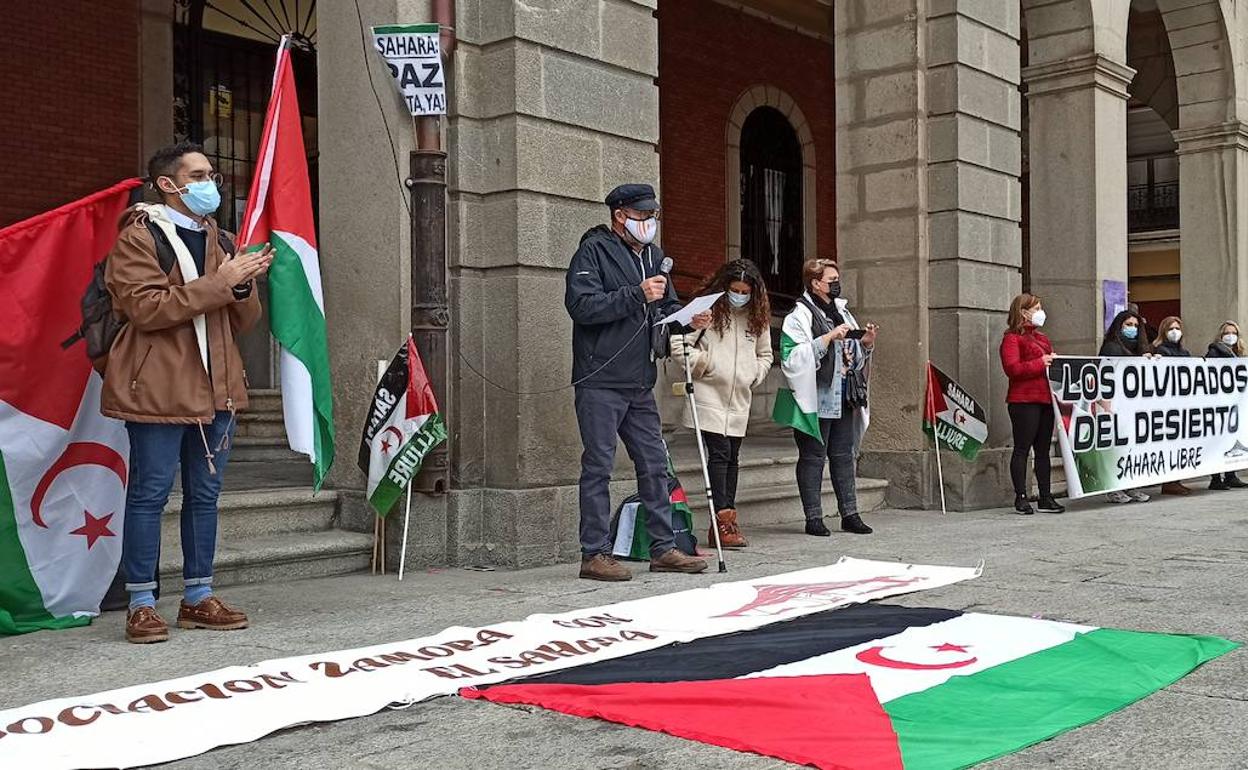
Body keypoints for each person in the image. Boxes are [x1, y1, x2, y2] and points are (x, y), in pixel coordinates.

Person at [103, 142, 273, 643]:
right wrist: (222, 282)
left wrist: (241, 287)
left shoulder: (220, 238)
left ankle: (198, 596)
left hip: (217, 387)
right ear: (168, 184)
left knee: (205, 495)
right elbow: (147, 309)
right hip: (159, 386)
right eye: (198, 175)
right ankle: (141, 603)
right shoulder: (139, 236)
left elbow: (245, 321)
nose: (210, 184)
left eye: (212, 174)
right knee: (149, 495)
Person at [565, 183, 712, 581]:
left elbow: (664, 307)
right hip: (600, 378)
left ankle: (663, 548)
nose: (649, 224)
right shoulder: (593, 251)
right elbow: (581, 306)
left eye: (652, 217)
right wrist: (636, 294)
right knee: (598, 464)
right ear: (620, 216)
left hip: (639, 379)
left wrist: (688, 317)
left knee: (653, 463)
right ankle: (593, 553)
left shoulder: (654, 257)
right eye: (643, 217)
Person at [671, 259, 774, 549]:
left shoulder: (758, 316)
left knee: (732, 458)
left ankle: (726, 520)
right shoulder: (706, 309)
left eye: (745, 290)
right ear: (724, 286)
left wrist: (754, 374)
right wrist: (706, 365)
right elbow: (679, 343)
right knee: (719, 455)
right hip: (708, 395)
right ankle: (722, 523)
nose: (739, 295)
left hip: (739, 397)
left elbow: (765, 354)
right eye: (734, 289)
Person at [775, 258, 878, 536]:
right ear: (815, 283)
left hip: (844, 394)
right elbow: (791, 357)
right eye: (831, 281)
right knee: (813, 456)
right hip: (816, 395)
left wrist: (865, 344)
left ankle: (850, 513)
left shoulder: (843, 312)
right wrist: (826, 339)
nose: (836, 284)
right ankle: (814, 517)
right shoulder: (798, 315)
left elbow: (854, 355)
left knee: (844, 455)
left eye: (837, 280)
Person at [999, 293, 1064, 515]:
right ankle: (1021, 497)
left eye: (1040, 307)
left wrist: (1053, 361)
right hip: (1023, 400)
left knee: (1043, 450)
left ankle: (1045, 496)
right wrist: (1040, 362)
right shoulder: (1011, 339)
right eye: (1035, 308)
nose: (1040, 312)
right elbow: (1012, 369)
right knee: (1022, 449)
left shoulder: (1042, 339)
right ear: (1023, 312)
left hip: (1045, 399)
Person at [1099, 309, 1153, 504]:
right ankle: (1115, 488)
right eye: (1128, 325)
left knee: (1133, 447)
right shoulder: (1112, 347)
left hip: (1134, 407)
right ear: (1119, 326)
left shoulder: (1139, 349)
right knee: (1118, 447)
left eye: (1136, 326)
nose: (1133, 329)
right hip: (1117, 405)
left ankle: (1131, 485)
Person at [1151, 316, 1195, 496]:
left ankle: (1176, 480)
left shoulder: (1183, 352)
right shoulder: (1160, 350)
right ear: (1164, 332)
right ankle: (1169, 481)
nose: (1175, 332)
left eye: (1177, 328)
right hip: (1167, 405)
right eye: (1171, 329)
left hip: (1181, 404)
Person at [1205, 321, 1248, 490]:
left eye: (1234, 332)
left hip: (1234, 405)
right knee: (1217, 440)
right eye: (1227, 333)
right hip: (1219, 403)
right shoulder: (1214, 352)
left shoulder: (1237, 354)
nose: (1230, 336)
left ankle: (1231, 475)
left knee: (1231, 438)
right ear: (1220, 336)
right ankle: (1216, 478)